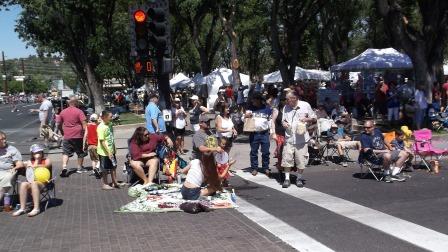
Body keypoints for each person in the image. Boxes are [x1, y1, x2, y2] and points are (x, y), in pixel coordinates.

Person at [280, 91, 316, 188]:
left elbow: (314, 118)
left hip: (302, 139)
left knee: (301, 160)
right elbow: (283, 120)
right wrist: (284, 123)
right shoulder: (285, 107)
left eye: (288, 99)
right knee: (287, 158)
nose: (286, 101)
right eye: (286, 99)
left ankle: (299, 178)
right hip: (289, 138)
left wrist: (307, 119)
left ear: (294, 98)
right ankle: (287, 179)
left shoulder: (305, 105)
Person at [12, 144, 52, 217]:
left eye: (39, 152)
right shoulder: (30, 161)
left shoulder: (46, 160)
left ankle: (36, 208)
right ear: (32, 154)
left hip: (45, 183)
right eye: (35, 153)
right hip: (32, 182)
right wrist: (35, 161)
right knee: (24, 183)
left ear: (42, 152)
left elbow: (46, 166)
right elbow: (31, 170)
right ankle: (22, 208)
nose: (37, 154)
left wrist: (37, 161)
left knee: (34, 183)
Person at [57, 96, 88, 177]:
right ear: (75, 103)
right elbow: (84, 124)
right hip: (78, 135)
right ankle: (79, 168)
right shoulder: (79, 111)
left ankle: (64, 167)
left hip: (67, 135)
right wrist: (86, 134)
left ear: (68, 103)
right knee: (80, 152)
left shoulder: (63, 112)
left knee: (65, 152)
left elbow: (58, 124)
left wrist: (62, 132)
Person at [245, 93, 272, 176]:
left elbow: (270, 121)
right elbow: (244, 119)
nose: (253, 101)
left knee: (266, 151)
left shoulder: (267, 109)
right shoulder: (250, 109)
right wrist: (245, 116)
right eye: (252, 99)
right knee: (253, 152)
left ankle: (266, 167)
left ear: (259, 100)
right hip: (254, 133)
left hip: (264, 133)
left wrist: (271, 131)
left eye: (255, 99)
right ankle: (254, 168)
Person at [0, 131, 24, 204]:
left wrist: (14, 168)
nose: (5, 140)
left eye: (5, 138)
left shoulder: (12, 149)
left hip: (8, 171)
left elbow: (20, 164)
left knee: (8, 177)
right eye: (2, 139)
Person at [97, 111, 118, 190]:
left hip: (111, 150)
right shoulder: (101, 127)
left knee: (114, 166)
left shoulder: (110, 124)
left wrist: (113, 148)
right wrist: (108, 152)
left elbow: (111, 137)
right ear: (105, 117)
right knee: (105, 168)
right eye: (110, 116)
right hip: (104, 152)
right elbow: (102, 141)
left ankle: (114, 181)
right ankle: (105, 184)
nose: (112, 118)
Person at [271, 96, 287, 171]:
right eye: (283, 100)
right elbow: (273, 122)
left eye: (286, 100)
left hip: (288, 134)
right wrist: (273, 133)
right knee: (280, 152)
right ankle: (281, 169)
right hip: (279, 134)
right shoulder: (276, 110)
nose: (284, 102)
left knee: (288, 152)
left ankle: (287, 168)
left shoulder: (290, 109)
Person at [86, 113, 101, 178]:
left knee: (93, 160)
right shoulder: (97, 126)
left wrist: (84, 145)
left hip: (89, 146)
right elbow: (98, 136)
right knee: (99, 159)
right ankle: (97, 168)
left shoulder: (88, 126)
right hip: (96, 145)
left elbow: (85, 135)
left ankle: (93, 171)